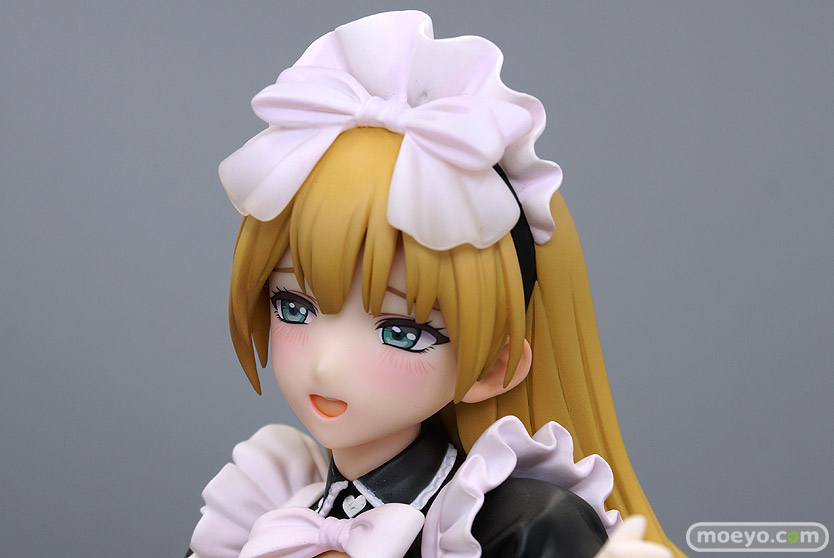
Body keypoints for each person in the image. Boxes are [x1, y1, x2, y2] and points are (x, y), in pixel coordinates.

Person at [188, 11, 683, 558]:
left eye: (401, 331)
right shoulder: (260, 506)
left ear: (493, 366)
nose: (326, 364)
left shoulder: (514, 527)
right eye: (294, 308)